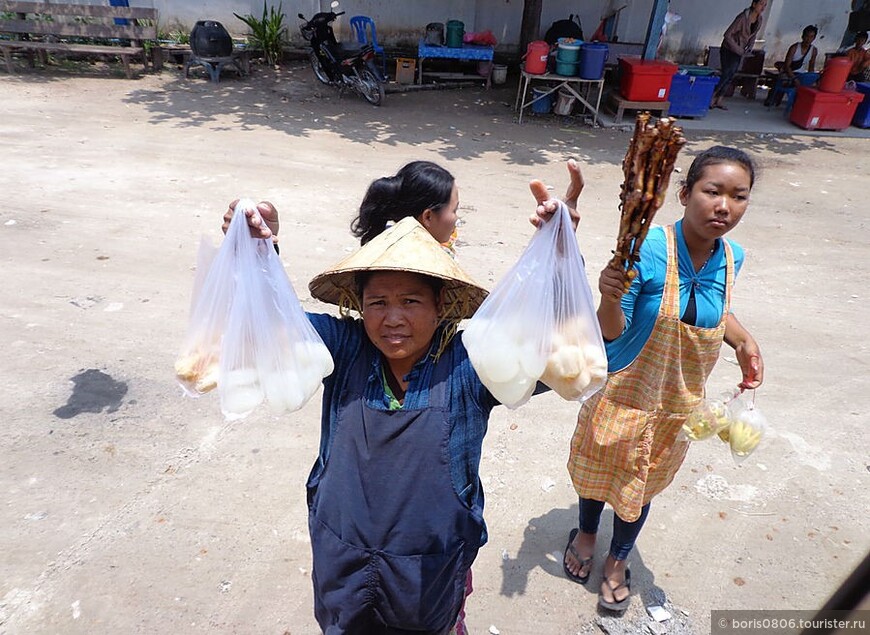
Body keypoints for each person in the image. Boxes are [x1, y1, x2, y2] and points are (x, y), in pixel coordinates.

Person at [222, 170, 581, 634]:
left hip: (428, 576)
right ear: (359, 306)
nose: (392, 320)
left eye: (411, 302)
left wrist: (561, 259)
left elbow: (570, 356)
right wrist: (254, 253)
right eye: (377, 303)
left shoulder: (472, 367)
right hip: (341, 562)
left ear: (441, 307)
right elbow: (268, 327)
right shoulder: (345, 348)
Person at [561, 146, 764, 612]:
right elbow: (611, 330)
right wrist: (609, 298)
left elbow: (714, 309)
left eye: (738, 196)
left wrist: (743, 340)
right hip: (624, 388)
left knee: (643, 484)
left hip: (678, 401)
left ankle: (617, 559)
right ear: (684, 193)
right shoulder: (647, 247)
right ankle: (587, 534)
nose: (724, 206)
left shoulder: (733, 257)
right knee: (598, 473)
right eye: (712, 192)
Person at [710, 0, 768, 110]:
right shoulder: (742, 18)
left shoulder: (759, 19)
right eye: (761, 4)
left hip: (740, 50)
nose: (763, 7)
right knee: (726, 73)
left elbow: (753, 35)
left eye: (765, 5)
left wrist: (749, 48)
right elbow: (727, 35)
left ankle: (720, 99)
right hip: (729, 49)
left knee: (731, 74)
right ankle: (713, 96)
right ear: (754, 4)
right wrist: (738, 49)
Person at [764, 25, 818, 107]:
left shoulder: (813, 51)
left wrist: (811, 78)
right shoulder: (794, 47)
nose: (808, 39)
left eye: (811, 37)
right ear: (803, 36)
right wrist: (794, 78)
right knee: (784, 80)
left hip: (801, 74)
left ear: (814, 38)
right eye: (807, 36)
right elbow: (787, 66)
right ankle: (773, 99)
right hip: (790, 73)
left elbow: (811, 67)